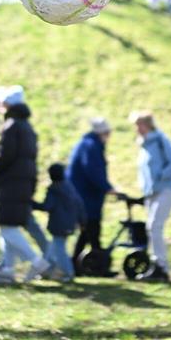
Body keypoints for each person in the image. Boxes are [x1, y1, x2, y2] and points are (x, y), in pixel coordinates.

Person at [0, 85, 49, 283]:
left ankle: (36, 261)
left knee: (7, 228)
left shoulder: (12, 126)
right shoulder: (27, 127)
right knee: (8, 227)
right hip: (22, 184)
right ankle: (8, 268)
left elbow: (6, 156)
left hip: (10, 184)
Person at [132, 111, 171, 282]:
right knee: (151, 227)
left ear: (147, 125)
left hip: (166, 188)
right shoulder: (144, 145)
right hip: (151, 192)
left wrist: (161, 176)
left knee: (155, 226)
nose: (137, 128)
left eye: (139, 124)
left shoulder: (160, 140)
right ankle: (155, 264)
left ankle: (161, 266)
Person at [66, 118, 118, 272]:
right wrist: (107, 188)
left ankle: (76, 264)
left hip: (84, 194)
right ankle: (98, 265)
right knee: (92, 228)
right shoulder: (91, 146)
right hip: (86, 196)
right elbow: (93, 171)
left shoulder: (88, 144)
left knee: (87, 231)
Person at [33, 163, 85, 282]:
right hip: (70, 224)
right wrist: (82, 221)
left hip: (58, 225)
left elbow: (47, 206)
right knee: (52, 248)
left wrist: (31, 204)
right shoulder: (70, 188)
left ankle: (68, 272)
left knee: (59, 249)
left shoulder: (53, 190)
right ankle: (46, 270)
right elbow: (80, 205)